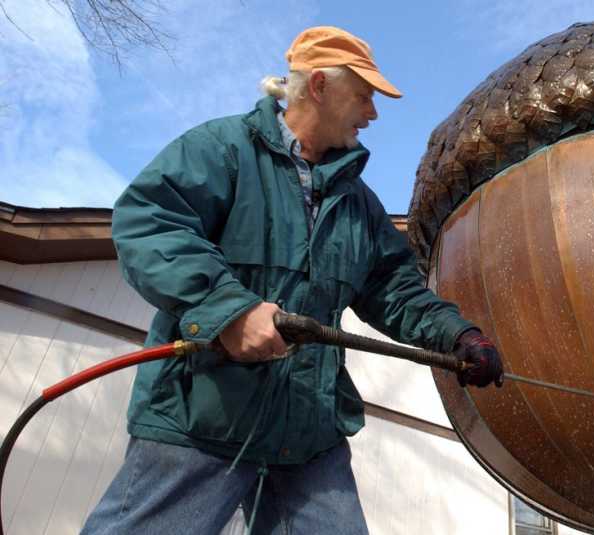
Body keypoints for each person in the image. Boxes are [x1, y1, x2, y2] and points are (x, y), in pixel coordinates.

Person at [82, 26, 503, 535]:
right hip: (201, 421)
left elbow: (396, 290)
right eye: (365, 95)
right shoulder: (223, 149)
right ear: (320, 86)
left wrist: (458, 336)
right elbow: (148, 222)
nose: (373, 112)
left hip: (307, 437)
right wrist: (229, 310)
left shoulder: (359, 205)